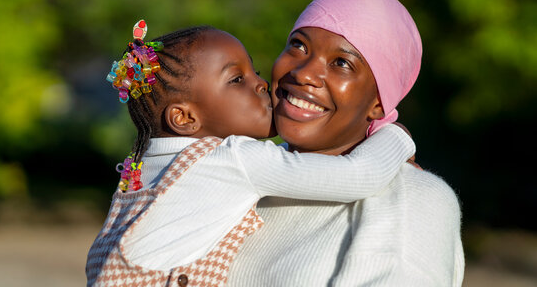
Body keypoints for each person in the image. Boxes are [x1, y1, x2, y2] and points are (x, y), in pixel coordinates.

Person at [85, 21, 416, 286]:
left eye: (254, 70)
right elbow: (359, 177)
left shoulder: (140, 171)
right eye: (236, 79)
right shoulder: (233, 159)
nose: (260, 84)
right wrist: (395, 136)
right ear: (185, 119)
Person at [226, 0, 465, 286]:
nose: (304, 73)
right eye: (299, 45)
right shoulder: (241, 169)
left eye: (342, 64)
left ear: (379, 103)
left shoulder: (409, 203)